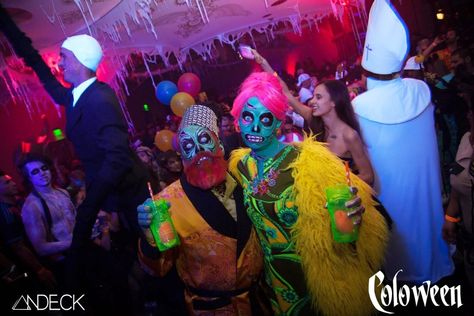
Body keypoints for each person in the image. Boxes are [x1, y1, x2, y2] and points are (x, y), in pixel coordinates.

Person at [229, 71, 389, 315]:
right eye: (248, 116)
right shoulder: (241, 166)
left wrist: (355, 216)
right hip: (273, 280)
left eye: (266, 118)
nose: (255, 126)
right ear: (239, 118)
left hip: (316, 277)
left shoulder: (307, 161)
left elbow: (346, 225)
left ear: (279, 122)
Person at [0, 6, 149, 261]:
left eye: (64, 57)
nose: (59, 62)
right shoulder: (76, 97)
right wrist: (9, 28)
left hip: (129, 196)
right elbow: (40, 68)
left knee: (150, 254)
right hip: (113, 195)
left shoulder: (100, 98)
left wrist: (92, 201)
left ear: (79, 61)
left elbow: (118, 158)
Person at [352, 0, 453, 283]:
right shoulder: (420, 90)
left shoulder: (361, 106)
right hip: (431, 203)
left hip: (392, 210)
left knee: (399, 258)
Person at [137, 105, 265, 315]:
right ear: (182, 158)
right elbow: (157, 269)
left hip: (260, 301)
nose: (198, 150)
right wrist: (149, 239)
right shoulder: (167, 203)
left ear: (220, 145)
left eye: (205, 140)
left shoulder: (244, 178)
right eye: (189, 145)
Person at [253, 51, 374, 185]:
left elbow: (367, 175)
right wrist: (264, 63)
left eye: (319, 97)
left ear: (334, 102)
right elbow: (286, 93)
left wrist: (341, 185)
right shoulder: (313, 119)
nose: (311, 101)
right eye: (313, 96)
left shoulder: (349, 135)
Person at [0, 170, 57, 290]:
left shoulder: (19, 203)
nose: (14, 183)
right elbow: (18, 246)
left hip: (43, 256)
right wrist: (39, 269)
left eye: (11, 180)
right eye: (7, 183)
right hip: (32, 266)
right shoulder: (6, 213)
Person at [18, 155, 75, 266]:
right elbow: (40, 248)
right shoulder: (32, 206)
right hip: (65, 260)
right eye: (35, 171)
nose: (42, 173)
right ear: (29, 178)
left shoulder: (63, 192)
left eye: (44, 168)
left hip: (84, 250)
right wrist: (75, 242)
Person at [442, 102, 474, 290]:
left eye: (472, 111)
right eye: (469, 110)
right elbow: (457, 185)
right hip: (468, 240)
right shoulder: (465, 140)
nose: (468, 115)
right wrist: (450, 218)